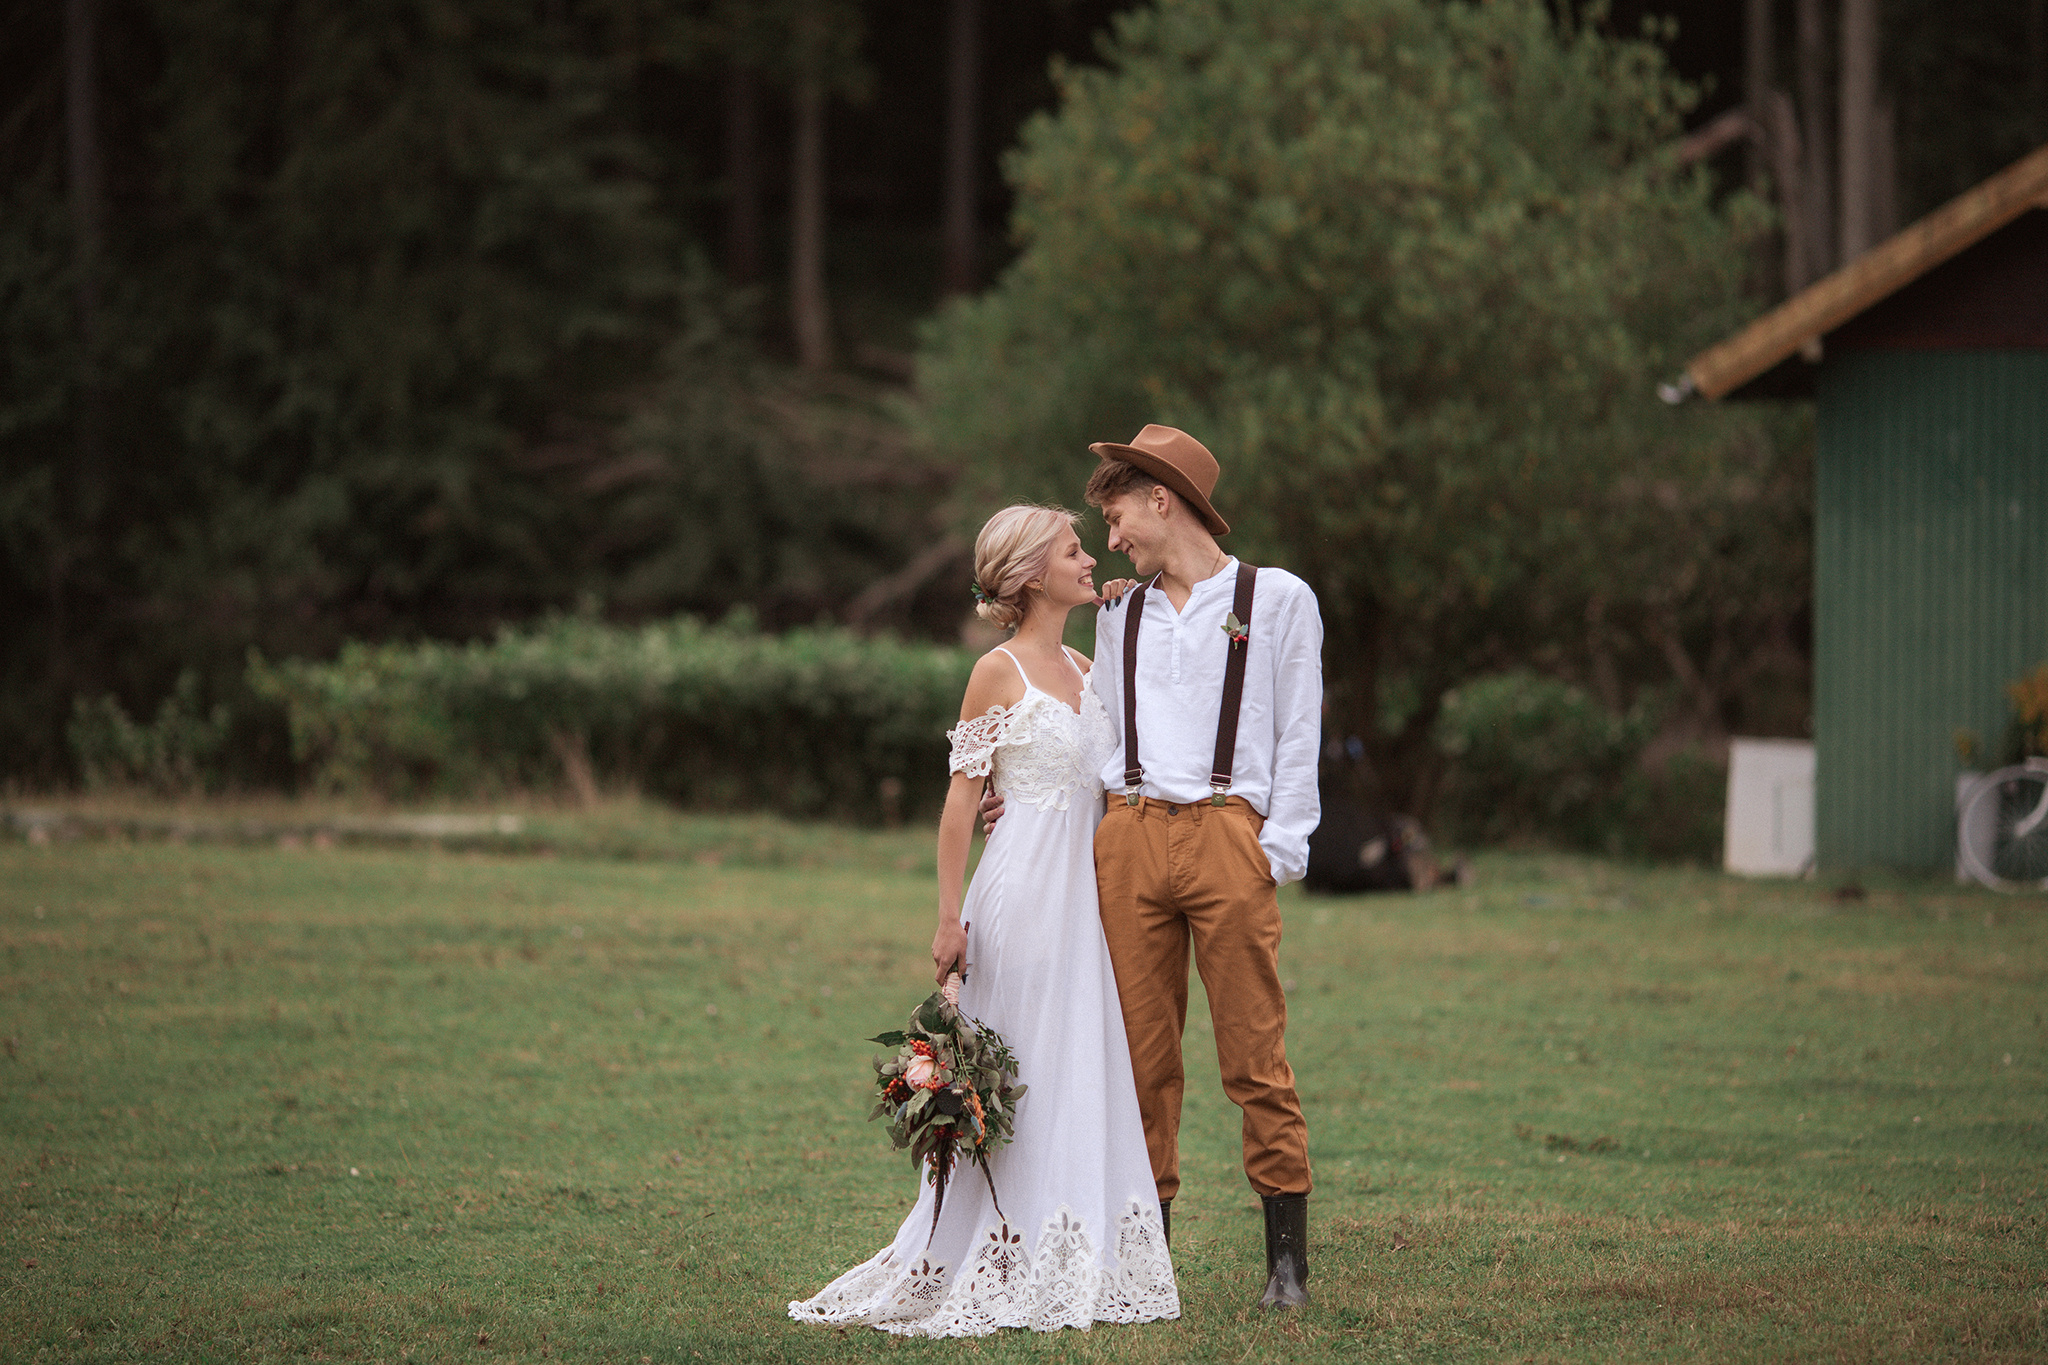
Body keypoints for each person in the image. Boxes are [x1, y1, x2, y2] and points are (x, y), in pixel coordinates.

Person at [787, 505, 1178, 1338]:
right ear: (1033, 573)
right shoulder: (997, 672)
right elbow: (961, 803)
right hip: (1022, 892)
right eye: (1074, 549)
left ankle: (1074, 1243)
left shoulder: (1087, 660)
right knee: (1025, 1060)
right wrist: (946, 919)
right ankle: (997, 1240)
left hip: (1090, 895)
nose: (1089, 556)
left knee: (1079, 1056)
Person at [982, 425, 1323, 1311]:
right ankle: (1148, 1252)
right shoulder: (1121, 612)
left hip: (1224, 833)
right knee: (1140, 1055)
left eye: (1119, 513)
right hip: (1126, 837)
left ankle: (1286, 1261)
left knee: (1254, 1051)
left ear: (1162, 499)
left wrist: (1273, 849)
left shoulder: (1276, 598)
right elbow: (1090, 731)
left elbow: (1298, 734)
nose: (1112, 538)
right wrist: (1017, 794)